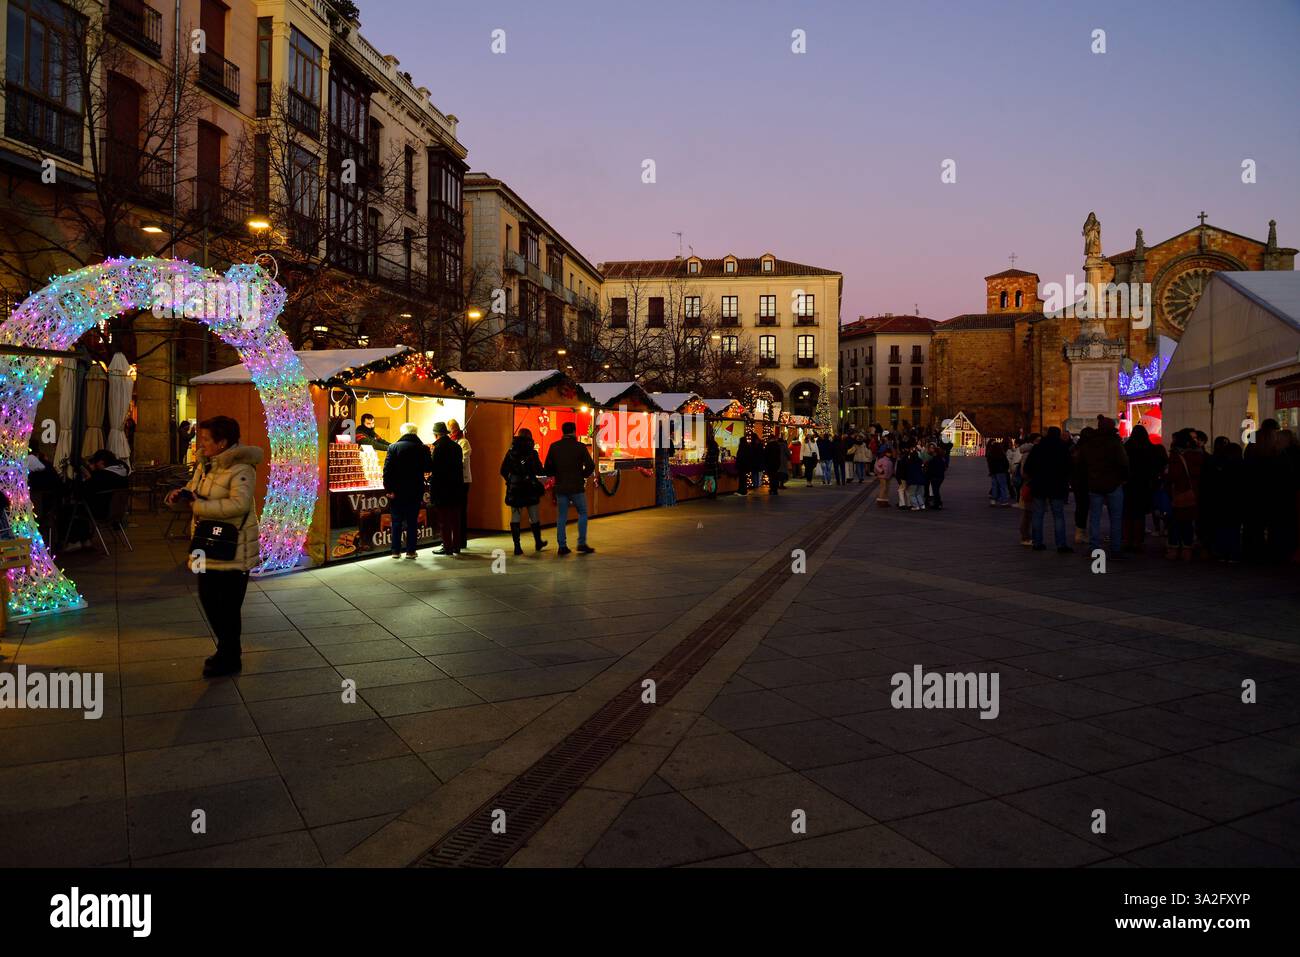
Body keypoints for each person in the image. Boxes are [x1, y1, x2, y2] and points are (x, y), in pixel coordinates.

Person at [165, 416, 260, 678]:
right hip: (206, 544)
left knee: (227, 606)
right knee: (209, 600)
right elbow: (195, 491)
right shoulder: (205, 465)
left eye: (206, 439)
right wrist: (180, 495)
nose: (200, 442)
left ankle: (230, 656)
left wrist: (199, 506)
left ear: (222, 442)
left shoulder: (242, 468)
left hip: (233, 546)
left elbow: (239, 505)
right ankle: (226, 650)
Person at [1079, 416, 1129, 558]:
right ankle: (1116, 549)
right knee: (1116, 518)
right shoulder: (1115, 442)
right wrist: (1123, 478)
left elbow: (1082, 463)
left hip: (1094, 484)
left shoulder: (1090, 443)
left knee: (1095, 518)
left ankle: (1094, 547)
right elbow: (1124, 462)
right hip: (1114, 484)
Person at [544, 420, 596, 555]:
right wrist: (582, 475)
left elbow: (547, 468)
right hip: (577, 486)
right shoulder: (580, 447)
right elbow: (591, 465)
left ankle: (562, 546)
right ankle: (581, 543)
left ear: (563, 431)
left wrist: (556, 474)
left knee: (561, 517)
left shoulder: (554, 446)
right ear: (574, 431)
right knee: (583, 513)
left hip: (560, 487)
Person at [382, 422, 432, 559]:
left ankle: (395, 551)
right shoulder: (423, 448)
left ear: (402, 432)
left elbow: (387, 471)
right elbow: (428, 468)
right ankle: (410, 551)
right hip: (415, 490)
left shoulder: (393, 447)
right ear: (415, 433)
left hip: (397, 491)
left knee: (396, 521)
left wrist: (388, 489)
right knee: (412, 521)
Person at [64, 449, 131, 549]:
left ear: (101, 462)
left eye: (95, 463)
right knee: (82, 507)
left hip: (102, 511)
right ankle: (85, 540)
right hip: (117, 511)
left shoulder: (102, 476)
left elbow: (81, 491)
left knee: (70, 509)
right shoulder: (123, 472)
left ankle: (75, 540)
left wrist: (88, 476)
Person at [1025, 426, 1072, 552]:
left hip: (1039, 485)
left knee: (1038, 515)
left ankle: (1037, 542)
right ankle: (1061, 545)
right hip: (1057, 486)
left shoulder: (1038, 447)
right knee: (1058, 515)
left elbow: (1028, 467)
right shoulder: (1063, 448)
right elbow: (1069, 467)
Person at [500, 428, 547, 554]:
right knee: (534, 515)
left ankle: (517, 547)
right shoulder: (532, 453)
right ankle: (538, 542)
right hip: (530, 487)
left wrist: (510, 479)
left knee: (515, 516)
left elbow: (503, 470)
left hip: (515, 488)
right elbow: (539, 470)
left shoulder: (510, 452)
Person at [1199, 436, 1242, 563]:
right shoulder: (1236, 464)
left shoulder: (1212, 462)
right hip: (1232, 501)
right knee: (1232, 528)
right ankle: (1231, 553)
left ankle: (1222, 552)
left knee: (1221, 527)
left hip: (1218, 501)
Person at [1121, 425, 1162, 552]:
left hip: (1128, 485)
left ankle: (1127, 540)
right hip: (1143, 485)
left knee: (1127, 514)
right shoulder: (1150, 449)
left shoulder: (1127, 447)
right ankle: (1137, 541)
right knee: (1139, 514)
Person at [1165, 428, 1203, 561]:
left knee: (1175, 523)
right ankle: (1188, 550)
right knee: (1188, 523)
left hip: (1179, 493)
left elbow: (1173, 475)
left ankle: (1174, 549)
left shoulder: (1177, 456)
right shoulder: (1199, 455)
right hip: (1194, 493)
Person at [429, 422, 464, 556]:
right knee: (455, 519)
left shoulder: (438, 448)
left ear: (436, 434)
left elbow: (435, 468)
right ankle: (456, 546)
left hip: (442, 488)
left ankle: (447, 546)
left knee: (444, 520)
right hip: (456, 487)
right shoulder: (456, 447)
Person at [448, 418, 472, 551]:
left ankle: (461, 540)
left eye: (451, 429)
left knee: (461, 510)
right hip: (455, 480)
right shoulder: (453, 441)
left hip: (463, 480)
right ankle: (455, 539)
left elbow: (463, 459)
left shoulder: (464, 442)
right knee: (455, 511)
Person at [986, 439, 1011, 506]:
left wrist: (991, 471)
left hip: (993, 472)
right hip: (1001, 471)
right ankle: (1004, 501)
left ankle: (993, 500)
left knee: (994, 486)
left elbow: (989, 464)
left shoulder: (990, 454)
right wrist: (1006, 469)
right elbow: (1006, 463)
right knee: (1003, 486)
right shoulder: (1001, 454)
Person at [924, 442, 946, 509]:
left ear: (935, 453)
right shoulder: (941, 459)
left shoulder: (934, 460)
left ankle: (938, 504)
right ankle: (938, 503)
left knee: (935, 491)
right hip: (940, 477)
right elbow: (944, 468)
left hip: (935, 477)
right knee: (936, 490)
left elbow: (930, 469)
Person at [763, 432, 785, 496]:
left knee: (771, 477)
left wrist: (765, 463)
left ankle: (772, 488)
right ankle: (775, 489)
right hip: (776, 463)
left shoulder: (768, 445)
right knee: (775, 476)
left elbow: (766, 455)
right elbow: (779, 454)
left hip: (770, 463)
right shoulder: (777, 445)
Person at [703, 431, 721, 499]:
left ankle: (711, 494)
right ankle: (714, 494)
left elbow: (709, 460)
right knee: (714, 481)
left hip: (710, 468)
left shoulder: (710, 450)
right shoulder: (716, 449)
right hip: (715, 467)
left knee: (710, 481)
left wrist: (706, 463)